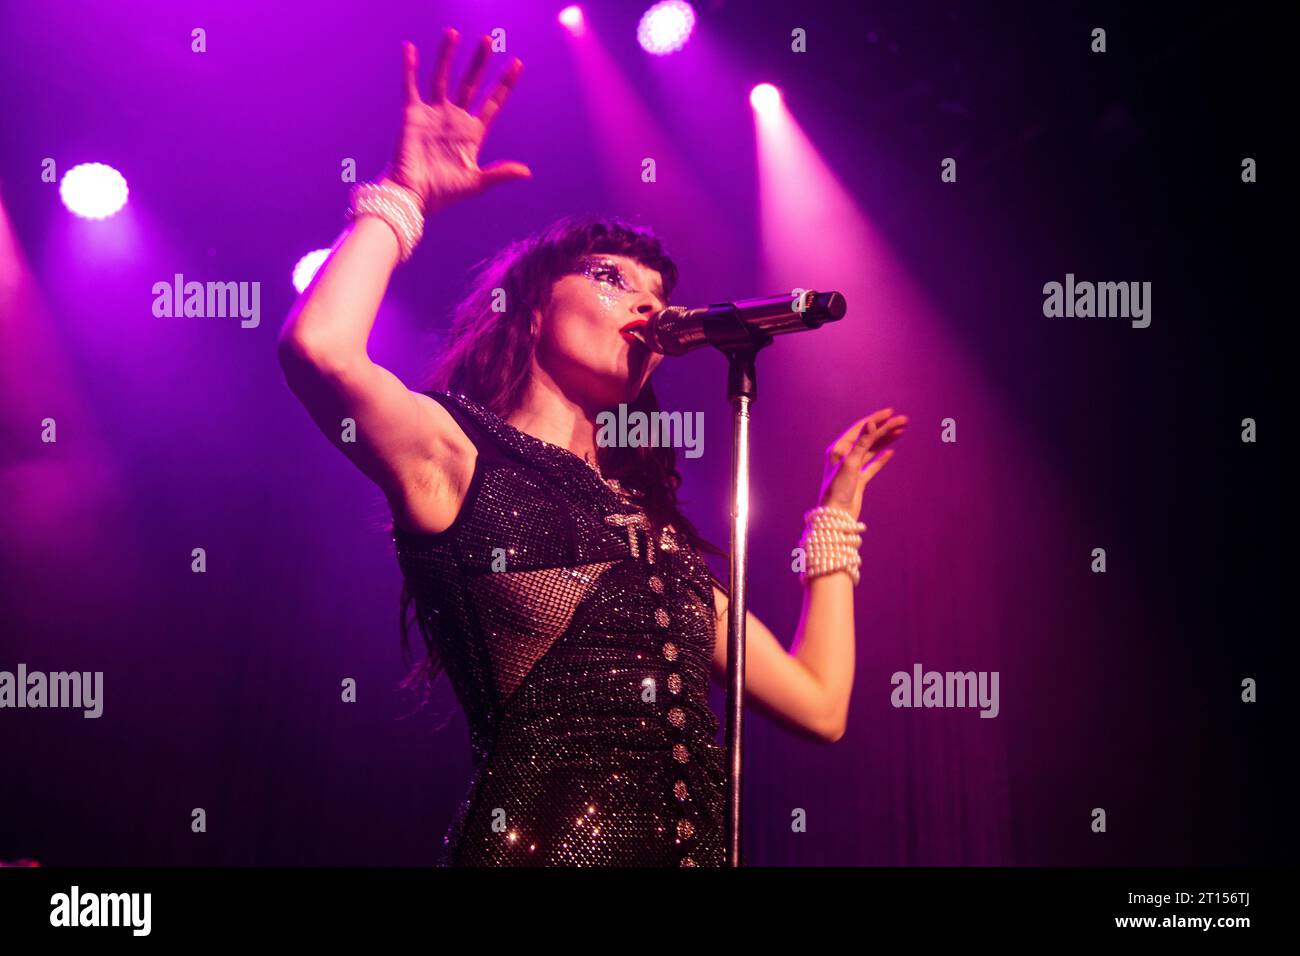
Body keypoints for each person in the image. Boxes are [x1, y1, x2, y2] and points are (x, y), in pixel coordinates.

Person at [277, 28, 908, 866]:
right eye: (611, 279)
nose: (644, 307)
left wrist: (832, 524)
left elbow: (822, 705)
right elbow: (321, 349)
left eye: (657, 295)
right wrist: (405, 196)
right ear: (533, 310)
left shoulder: (656, 541)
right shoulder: (459, 455)